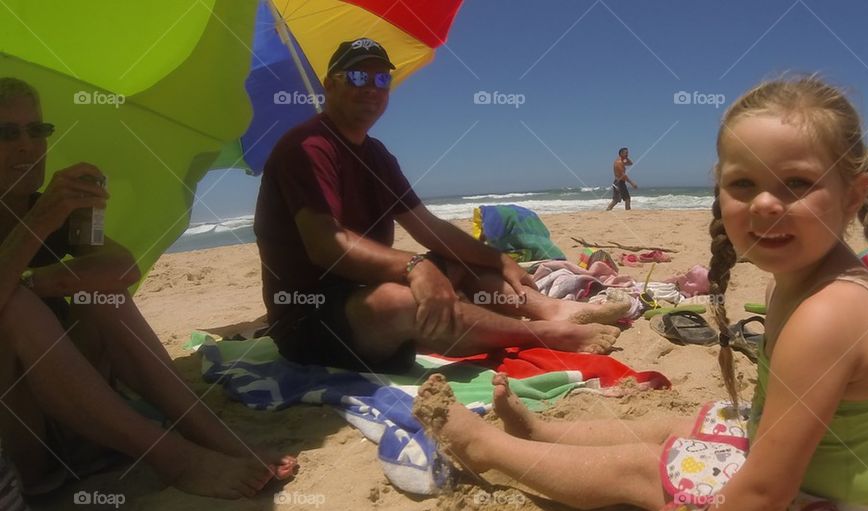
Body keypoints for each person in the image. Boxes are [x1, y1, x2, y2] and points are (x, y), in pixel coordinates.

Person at [415, 76, 868, 511]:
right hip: (816, 480)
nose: (765, 203)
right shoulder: (801, 280)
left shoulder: (827, 316)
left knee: (643, 465)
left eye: (797, 183)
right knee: (677, 427)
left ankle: (489, 450)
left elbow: (768, 490)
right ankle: (542, 432)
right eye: (743, 183)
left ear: (853, 193)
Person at [0, 77, 296, 507]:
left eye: (37, 130)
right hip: (20, 443)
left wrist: (80, 228)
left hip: (77, 428)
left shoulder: (48, 207)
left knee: (99, 294)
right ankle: (174, 459)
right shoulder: (42, 215)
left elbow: (123, 268)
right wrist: (35, 239)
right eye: (7, 133)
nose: (27, 145)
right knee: (17, 309)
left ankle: (209, 434)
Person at [255, 38, 626, 374]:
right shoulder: (305, 148)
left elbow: (427, 226)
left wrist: (498, 259)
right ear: (329, 84)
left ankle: (554, 310)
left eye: (381, 80)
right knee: (398, 300)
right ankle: (543, 334)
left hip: (365, 285)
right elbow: (326, 244)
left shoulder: (377, 155)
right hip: (311, 319)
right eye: (356, 76)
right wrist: (413, 266)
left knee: (460, 259)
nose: (371, 88)